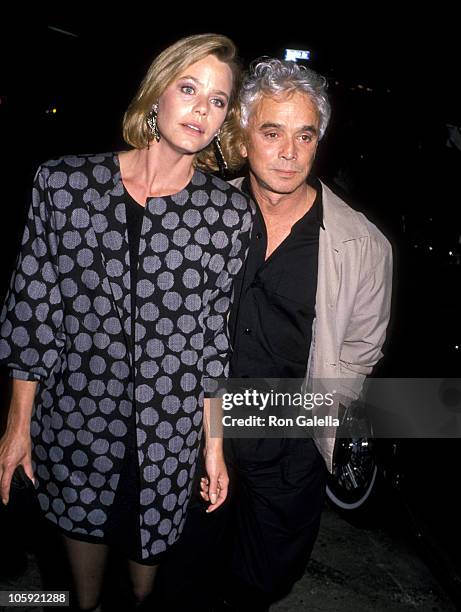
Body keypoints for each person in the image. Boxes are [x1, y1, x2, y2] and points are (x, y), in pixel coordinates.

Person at [0, 33, 252, 612]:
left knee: (143, 590)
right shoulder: (65, 186)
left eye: (217, 100)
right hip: (77, 423)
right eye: (188, 88)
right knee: (80, 593)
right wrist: (19, 426)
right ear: (156, 95)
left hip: (168, 437)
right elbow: (34, 314)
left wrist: (213, 449)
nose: (200, 109)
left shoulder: (227, 214)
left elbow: (212, 343)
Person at [201, 58, 393, 611]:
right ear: (243, 137)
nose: (289, 151)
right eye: (272, 131)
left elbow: (360, 352)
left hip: (288, 447)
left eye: (303, 134)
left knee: (260, 583)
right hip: (193, 435)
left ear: (318, 141)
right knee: (183, 575)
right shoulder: (203, 216)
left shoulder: (360, 246)